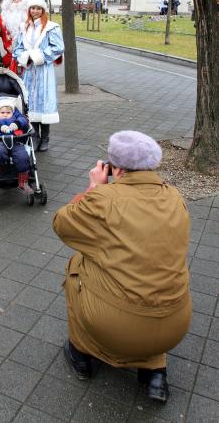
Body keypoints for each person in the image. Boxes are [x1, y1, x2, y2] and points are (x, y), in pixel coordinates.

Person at [53, 131, 192, 403]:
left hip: (115, 327)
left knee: (77, 265)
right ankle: (154, 371)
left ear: (115, 168)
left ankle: (82, 355)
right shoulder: (175, 197)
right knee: (152, 279)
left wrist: (95, 188)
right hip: (176, 325)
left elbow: (61, 223)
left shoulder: (103, 200)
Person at [13, 0, 64, 152]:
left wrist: (38, 56)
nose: (35, 11)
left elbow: (58, 47)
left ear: (43, 10)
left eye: (38, 8)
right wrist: (25, 57)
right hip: (29, 72)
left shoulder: (51, 28)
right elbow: (17, 49)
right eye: (33, 8)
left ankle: (45, 137)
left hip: (44, 71)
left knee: (44, 104)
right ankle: (34, 136)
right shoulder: (24, 27)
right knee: (31, 104)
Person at [0, 98, 33, 195]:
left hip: (16, 141)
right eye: (2, 112)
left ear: (13, 112)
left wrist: (17, 124)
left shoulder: (16, 118)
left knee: (23, 156)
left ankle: (23, 181)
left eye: (8, 112)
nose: (5, 114)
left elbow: (24, 119)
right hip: (0, 141)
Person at [0, 0, 28, 73]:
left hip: (26, 59)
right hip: (7, 60)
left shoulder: (29, 17)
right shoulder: (2, 17)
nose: (17, 1)